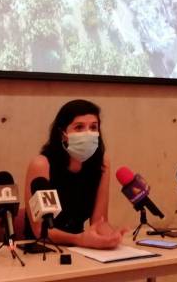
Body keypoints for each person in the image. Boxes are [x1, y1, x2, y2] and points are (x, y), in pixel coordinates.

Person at [24, 99, 125, 249]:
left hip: (80, 248)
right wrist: (80, 239)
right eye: (79, 127)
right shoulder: (42, 164)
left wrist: (111, 236)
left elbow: (100, 222)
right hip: (41, 248)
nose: (88, 133)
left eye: (93, 127)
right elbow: (40, 230)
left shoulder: (102, 163)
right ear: (62, 134)